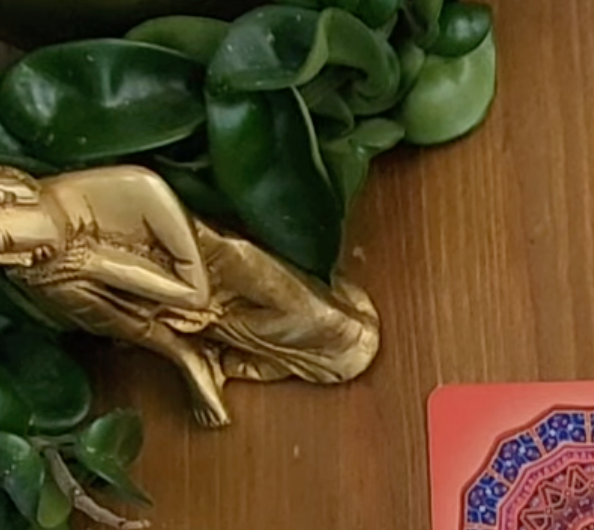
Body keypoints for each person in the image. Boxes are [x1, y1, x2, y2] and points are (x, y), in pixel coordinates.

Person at [0, 164, 377, 428]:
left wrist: (101, 263)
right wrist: (187, 360)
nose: (20, 260)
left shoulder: (133, 187)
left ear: (11, 196)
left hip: (220, 267)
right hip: (190, 321)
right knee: (334, 345)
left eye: (7, 242)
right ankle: (209, 358)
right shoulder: (44, 273)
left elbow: (195, 294)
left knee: (337, 330)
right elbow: (131, 326)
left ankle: (245, 351)